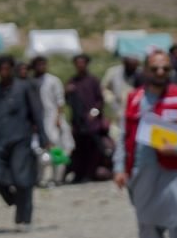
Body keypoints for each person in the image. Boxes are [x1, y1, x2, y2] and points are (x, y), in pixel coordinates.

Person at [113, 51, 177, 238]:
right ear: (146, 70)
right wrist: (119, 167)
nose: (161, 73)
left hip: (175, 171)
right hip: (141, 171)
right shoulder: (134, 99)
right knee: (147, 225)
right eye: (155, 69)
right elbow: (123, 137)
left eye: (165, 68)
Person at [0, 55, 49, 229]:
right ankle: (13, 201)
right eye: (1, 69)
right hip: (0, 141)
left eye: (7, 68)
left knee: (22, 180)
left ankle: (24, 218)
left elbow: (37, 113)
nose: (5, 72)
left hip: (21, 140)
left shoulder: (24, 88)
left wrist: (43, 137)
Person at [32, 56, 74, 186]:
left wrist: (58, 118)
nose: (41, 67)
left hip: (53, 119)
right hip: (40, 120)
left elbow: (59, 101)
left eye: (43, 64)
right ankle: (42, 178)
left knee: (58, 149)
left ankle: (57, 178)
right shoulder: (32, 82)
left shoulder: (53, 81)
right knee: (41, 152)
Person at [67, 54, 107, 182]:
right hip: (78, 123)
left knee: (94, 148)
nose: (80, 65)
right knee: (79, 149)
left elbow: (100, 100)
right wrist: (67, 92)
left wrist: (94, 112)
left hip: (92, 123)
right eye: (77, 63)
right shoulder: (72, 81)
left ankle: (91, 173)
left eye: (82, 62)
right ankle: (79, 173)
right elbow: (67, 101)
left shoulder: (93, 80)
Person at [102, 54, 142, 142]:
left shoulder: (141, 73)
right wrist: (111, 100)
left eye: (134, 66)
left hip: (136, 111)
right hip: (117, 110)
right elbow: (104, 88)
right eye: (129, 65)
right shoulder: (113, 72)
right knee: (117, 138)